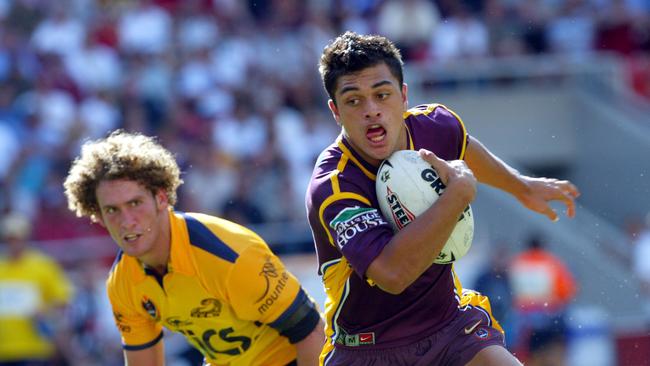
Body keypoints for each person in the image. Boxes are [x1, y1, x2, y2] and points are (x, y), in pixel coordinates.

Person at [305, 32, 580, 365]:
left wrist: (521, 186)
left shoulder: (434, 126)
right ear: (335, 110)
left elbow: (462, 144)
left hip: (449, 328)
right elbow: (392, 274)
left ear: (403, 96)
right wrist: (458, 195)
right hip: (368, 347)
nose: (371, 110)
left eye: (382, 94)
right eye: (354, 100)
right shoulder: (334, 185)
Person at [63, 130, 325, 366]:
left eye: (135, 203)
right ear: (98, 216)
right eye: (112, 210)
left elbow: (313, 333)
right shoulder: (122, 284)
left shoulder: (231, 256)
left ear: (161, 198)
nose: (127, 221)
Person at [0, 212, 74, 365]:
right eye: (10, 239)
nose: (13, 244)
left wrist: (45, 312)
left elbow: (63, 300)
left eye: (17, 239)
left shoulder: (43, 265)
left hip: (36, 348)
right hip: (4, 350)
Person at [509, 234, 578, 365]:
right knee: (556, 351)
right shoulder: (552, 262)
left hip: (524, 319)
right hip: (548, 317)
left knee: (524, 353)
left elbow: (508, 289)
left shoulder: (517, 263)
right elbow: (566, 291)